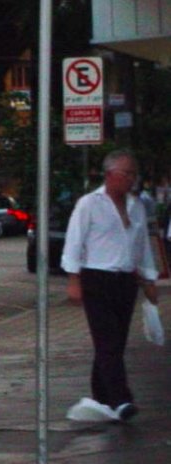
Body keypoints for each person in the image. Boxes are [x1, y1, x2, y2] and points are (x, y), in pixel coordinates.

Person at [61, 149, 158, 422]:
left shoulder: (136, 206)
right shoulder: (89, 204)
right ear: (110, 174)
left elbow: (142, 246)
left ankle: (101, 395)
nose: (131, 179)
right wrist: (73, 279)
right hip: (97, 278)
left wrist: (148, 279)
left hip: (125, 280)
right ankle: (121, 399)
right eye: (126, 173)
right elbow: (74, 241)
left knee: (115, 341)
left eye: (133, 174)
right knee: (107, 342)